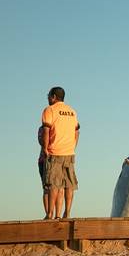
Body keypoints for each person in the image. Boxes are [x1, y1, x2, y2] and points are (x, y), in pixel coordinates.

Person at [40, 87, 80, 219]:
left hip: (54, 151)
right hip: (69, 152)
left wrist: (45, 148)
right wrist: (73, 146)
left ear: (53, 96)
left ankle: (50, 213)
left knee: (53, 184)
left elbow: (46, 130)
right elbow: (77, 131)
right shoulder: (72, 111)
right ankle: (67, 212)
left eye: (48, 96)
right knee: (69, 184)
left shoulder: (49, 110)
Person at [38, 125, 50, 219]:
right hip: (44, 160)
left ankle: (55, 214)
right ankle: (48, 214)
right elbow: (42, 142)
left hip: (56, 159)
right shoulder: (42, 128)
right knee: (46, 188)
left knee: (58, 189)